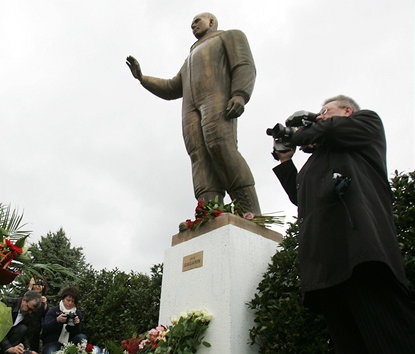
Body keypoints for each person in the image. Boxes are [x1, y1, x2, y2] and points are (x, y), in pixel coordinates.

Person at [272, 95, 415, 353]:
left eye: (325, 111)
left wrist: (302, 129)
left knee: (390, 341)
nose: (320, 116)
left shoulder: (366, 124)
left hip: (363, 257)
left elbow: (331, 128)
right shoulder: (315, 161)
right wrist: (285, 159)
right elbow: (301, 196)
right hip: (326, 269)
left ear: (347, 111)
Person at [126, 12, 261, 215]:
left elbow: (244, 64)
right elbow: (172, 87)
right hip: (191, 109)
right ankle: (209, 212)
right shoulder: (189, 59)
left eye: (197, 21)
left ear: (212, 22)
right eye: (191, 24)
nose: (193, 25)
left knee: (220, 145)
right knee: (199, 156)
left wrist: (240, 94)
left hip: (217, 99)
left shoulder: (229, 36)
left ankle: (249, 211)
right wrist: (142, 78)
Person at [0, 290, 43, 354]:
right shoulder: (6, 303)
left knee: (23, 328)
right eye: (29, 308)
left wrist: (28, 351)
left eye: (32, 310)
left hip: (5, 344)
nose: (30, 312)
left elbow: (24, 336)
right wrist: (9, 348)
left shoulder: (27, 314)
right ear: (24, 300)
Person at [41, 287, 87, 354]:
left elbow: (77, 332)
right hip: (54, 341)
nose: (70, 303)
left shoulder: (77, 313)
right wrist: (57, 320)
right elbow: (45, 328)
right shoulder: (54, 310)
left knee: (82, 337)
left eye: (73, 301)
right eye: (68, 300)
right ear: (63, 299)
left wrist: (76, 324)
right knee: (50, 351)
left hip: (70, 342)